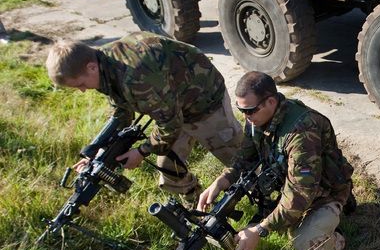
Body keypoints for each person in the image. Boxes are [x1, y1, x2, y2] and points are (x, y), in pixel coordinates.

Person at [45, 32, 243, 204]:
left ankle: (269, 202)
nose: (82, 90)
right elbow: (122, 112)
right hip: (172, 104)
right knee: (169, 168)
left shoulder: (134, 76)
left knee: (242, 161)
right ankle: (197, 205)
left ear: (91, 67)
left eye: (80, 84)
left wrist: (141, 152)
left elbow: (170, 125)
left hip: (203, 100)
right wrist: (97, 152)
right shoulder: (103, 64)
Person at [198, 71, 354, 250]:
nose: (245, 117)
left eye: (250, 110)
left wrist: (260, 230)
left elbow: (300, 195)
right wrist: (222, 181)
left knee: (304, 244)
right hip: (288, 185)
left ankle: (337, 241)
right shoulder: (256, 120)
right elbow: (244, 158)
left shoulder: (302, 132)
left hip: (323, 194)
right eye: (241, 110)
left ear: (271, 102)